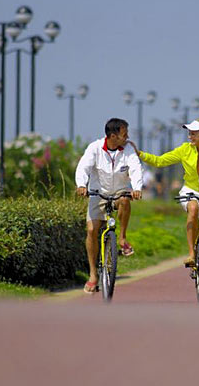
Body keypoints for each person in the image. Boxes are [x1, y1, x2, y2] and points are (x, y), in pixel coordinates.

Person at [129, 119, 199, 286]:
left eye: (193, 133)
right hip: (190, 190)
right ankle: (192, 255)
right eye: (189, 132)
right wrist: (140, 154)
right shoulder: (185, 149)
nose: (190, 136)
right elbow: (160, 161)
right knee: (193, 209)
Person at [75, 118, 143, 294]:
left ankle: (121, 238)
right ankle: (92, 275)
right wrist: (82, 185)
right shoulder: (95, 148)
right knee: (92, 230)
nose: (127, 137)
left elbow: (136, 168)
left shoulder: (128, 149)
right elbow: (83, 167)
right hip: (98, 193)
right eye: (124, 134)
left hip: (120, 192)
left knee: (126, 200)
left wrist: (137, 188)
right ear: (113, 136)